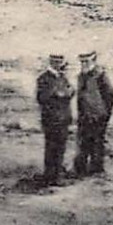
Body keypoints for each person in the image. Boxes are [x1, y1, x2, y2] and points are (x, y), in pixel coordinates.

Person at [73, 51, 113, 177]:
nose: (83, 64)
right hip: (84, 116)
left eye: (86, 61)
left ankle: (96, 169)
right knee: (83, 142)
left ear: (93, 61)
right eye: (82, 61)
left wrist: (104, 113)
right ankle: (80, 169)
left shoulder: (100, 76)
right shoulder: (81, 76)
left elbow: (110, 95)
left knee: (97, 142)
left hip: (98, 117)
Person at [35, 53, 75, 185]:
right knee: (52, 148)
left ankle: (56, 174)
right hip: (51, 120)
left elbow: (70, 91)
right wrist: (58, 94)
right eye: (57, 62)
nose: (60, 65)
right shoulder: (44, 78)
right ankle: (51, 176)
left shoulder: (62, 77)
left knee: (60, 148)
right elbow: (41, 98)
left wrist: (68, 92)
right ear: (52, 62)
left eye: (61, 62)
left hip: (63, 118)